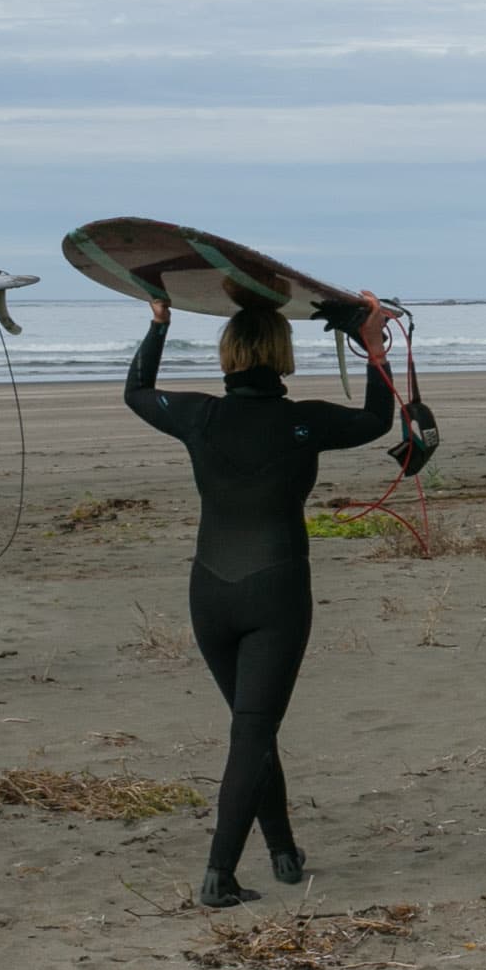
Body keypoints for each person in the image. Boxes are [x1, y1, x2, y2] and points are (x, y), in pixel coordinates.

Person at [124, 292, 395, 906]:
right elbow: (379, 421)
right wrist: (374, 348)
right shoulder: (309, 421)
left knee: (254, 728)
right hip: (276, 593)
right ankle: (220, 872)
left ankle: (281, 848)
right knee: (253, 730)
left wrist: (158, 322)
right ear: (284, 354)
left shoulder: (197, 416)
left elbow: (137, 392)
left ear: (227, 355)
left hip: (209, 594)